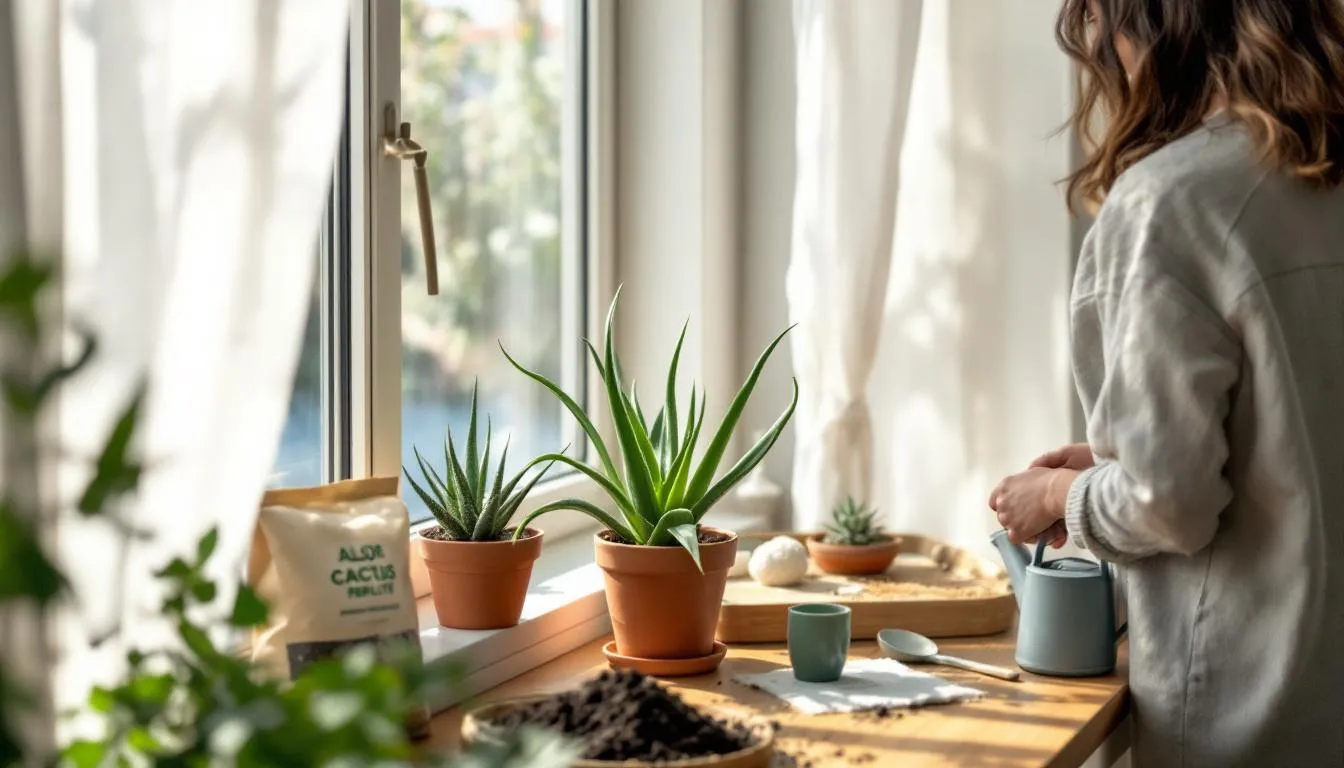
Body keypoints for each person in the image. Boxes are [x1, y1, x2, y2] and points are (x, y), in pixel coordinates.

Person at [988, 0, 1344, 765]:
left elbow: (1168, 504)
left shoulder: (1172, 200)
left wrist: (1058, 497)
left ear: (1147, 27)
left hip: (1247, 720)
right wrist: (1115, 464)